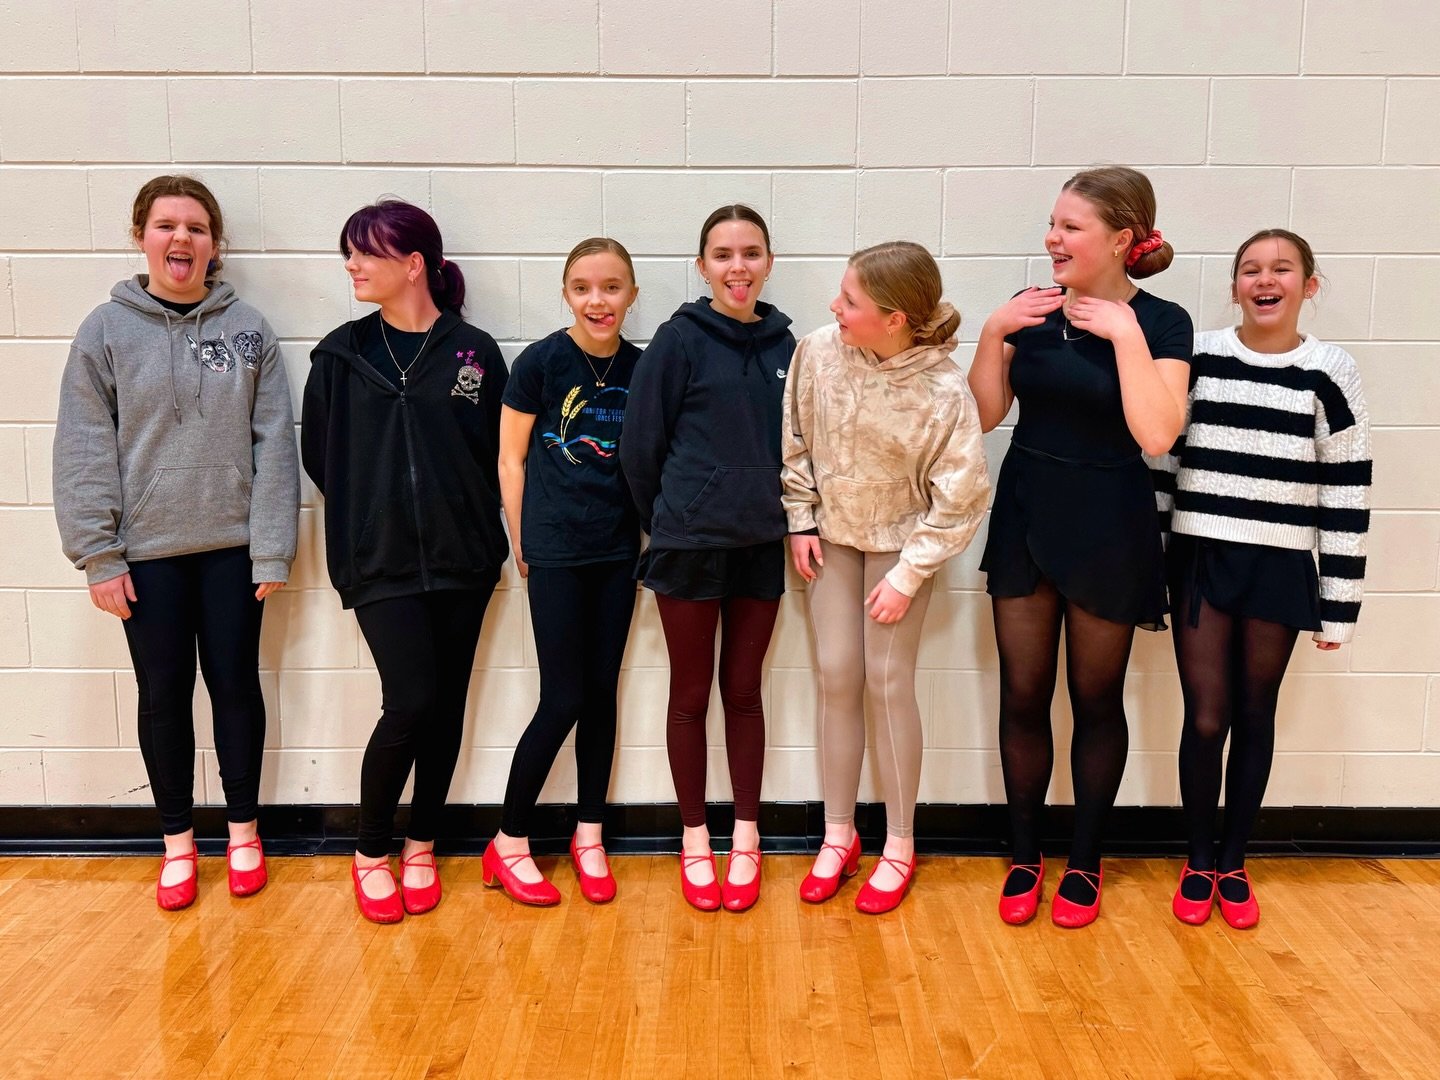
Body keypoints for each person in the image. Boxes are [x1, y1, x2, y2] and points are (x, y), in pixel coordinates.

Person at [53, 175, 298, 911]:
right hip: (145, 556)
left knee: (234, 687)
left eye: (196, 227)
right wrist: (97, 553)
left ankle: (245, 832)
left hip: (231, 550)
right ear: (141, 238)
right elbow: (83, 447)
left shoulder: (249, 328)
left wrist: (272, 546)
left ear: (215, 245)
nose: (181, 239)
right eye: (166, 226)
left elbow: (274, 445)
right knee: (164, 695)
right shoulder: (105, 331)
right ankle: (178, 844)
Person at [968, 166, 1192, 928]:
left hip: (1110, 521)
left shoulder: (1163, 324)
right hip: (1029, 508)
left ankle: (1086, 864)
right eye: (1052, 224)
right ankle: (1025, 855)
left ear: (1121, 239)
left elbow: (1157, 432)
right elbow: (985, 415)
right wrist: (994, 334)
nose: (1051, 238)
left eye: (1069, 226)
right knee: (1023, 696)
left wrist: (1125, 333)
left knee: (1097, 702)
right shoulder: (1031, 311)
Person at [1155, 229, 1370, 929]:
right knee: (1206, 716)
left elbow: (1347, 490)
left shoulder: (1331, 370)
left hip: (1279, 567)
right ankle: (1196, 859)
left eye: (1281, 269)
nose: (1264, 279)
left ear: (1309, 285)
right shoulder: (1203, 358)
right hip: (1201, 560)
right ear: (1235, 285)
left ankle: (1233, 862)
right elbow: (1163, 461)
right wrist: (1153, 571)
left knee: (1254, 715)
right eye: (1250, 269)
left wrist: (1338, 605)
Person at [301, 199, 508, 924]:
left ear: (412, 264)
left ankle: (421, 844)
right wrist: (374, 518)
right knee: (411, 701)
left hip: (466, 559)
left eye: (365, 253)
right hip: (379, 563)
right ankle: (370, 852)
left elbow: (493, 455)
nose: (352, 266)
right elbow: (321, 459)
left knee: (446, 707)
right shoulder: (340, 356)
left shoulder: (473, 353)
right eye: (348, 254)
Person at [784, 242, 990, 914]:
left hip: (902, 547)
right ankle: (837, 835)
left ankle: (899, 844)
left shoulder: (942, 389)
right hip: (833, 540)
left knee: (887, 680)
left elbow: (961, 495)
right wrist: (799, 518)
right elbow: (795, 436)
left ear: (896, 318)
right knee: (837, 674)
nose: (834, 308)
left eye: (850, 302)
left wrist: (910, 573)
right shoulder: (818, 351)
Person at [619, 205, 795, 912]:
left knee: (745, 692)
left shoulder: (790, 347)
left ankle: (745, 839)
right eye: (723, 255)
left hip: (760, 545)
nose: (738, 267)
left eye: (751, 252)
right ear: (702, 267)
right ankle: (696, 840)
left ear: (769, 262)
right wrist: (668, 520)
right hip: (688, 549)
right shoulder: (678, 341)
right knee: (690, 696)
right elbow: (640, 449)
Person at [485, 239, 642, 906]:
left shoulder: (645, 365)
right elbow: (510, 460)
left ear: (631, 294)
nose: (597, 300)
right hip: (552, 550)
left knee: (602, 694)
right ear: (566, 294)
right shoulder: (541, 363)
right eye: (582, 288)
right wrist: (521, 540)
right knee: (565, 697)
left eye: (610, 287)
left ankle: (589, 833)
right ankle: (509, 840)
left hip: (617, 551)